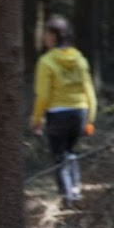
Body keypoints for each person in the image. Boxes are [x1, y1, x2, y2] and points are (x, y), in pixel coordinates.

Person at [30, 15, 96, 207]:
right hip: (80, 112)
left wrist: (36, 119)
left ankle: (67, 198)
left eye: (46, 33)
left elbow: (43, 96)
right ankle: (75, 190)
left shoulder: (46, 61)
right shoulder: (79, 59)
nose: (43, 37)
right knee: (70, 151)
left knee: (59, 155)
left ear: (53, 36)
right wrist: (90, 119)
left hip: (58, 114)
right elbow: (89, 91)